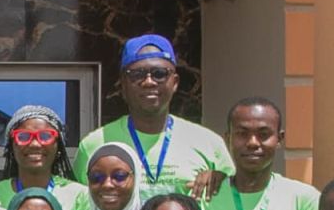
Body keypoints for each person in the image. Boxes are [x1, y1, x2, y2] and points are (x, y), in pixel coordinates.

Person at [72, 34, 232, 197]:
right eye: (136, 74)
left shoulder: (209, 144)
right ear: (123, 84)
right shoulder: (95, 145)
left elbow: (235, 200)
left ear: (175, 82)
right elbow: (79, 207)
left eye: (159, 73)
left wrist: (220, 178)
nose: (149, 82)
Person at [202, 97, 322, 210]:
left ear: (279, 139)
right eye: (242, 134)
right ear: (228, 139)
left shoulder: (305, 199)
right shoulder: (206, 199)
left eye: (263, 134)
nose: (252, 143)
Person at [0, 106, 87, 210]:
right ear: (11, 147)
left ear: (58, 146)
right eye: (23, 136)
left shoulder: (80, 197)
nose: (35, 144)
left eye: (45, 136)